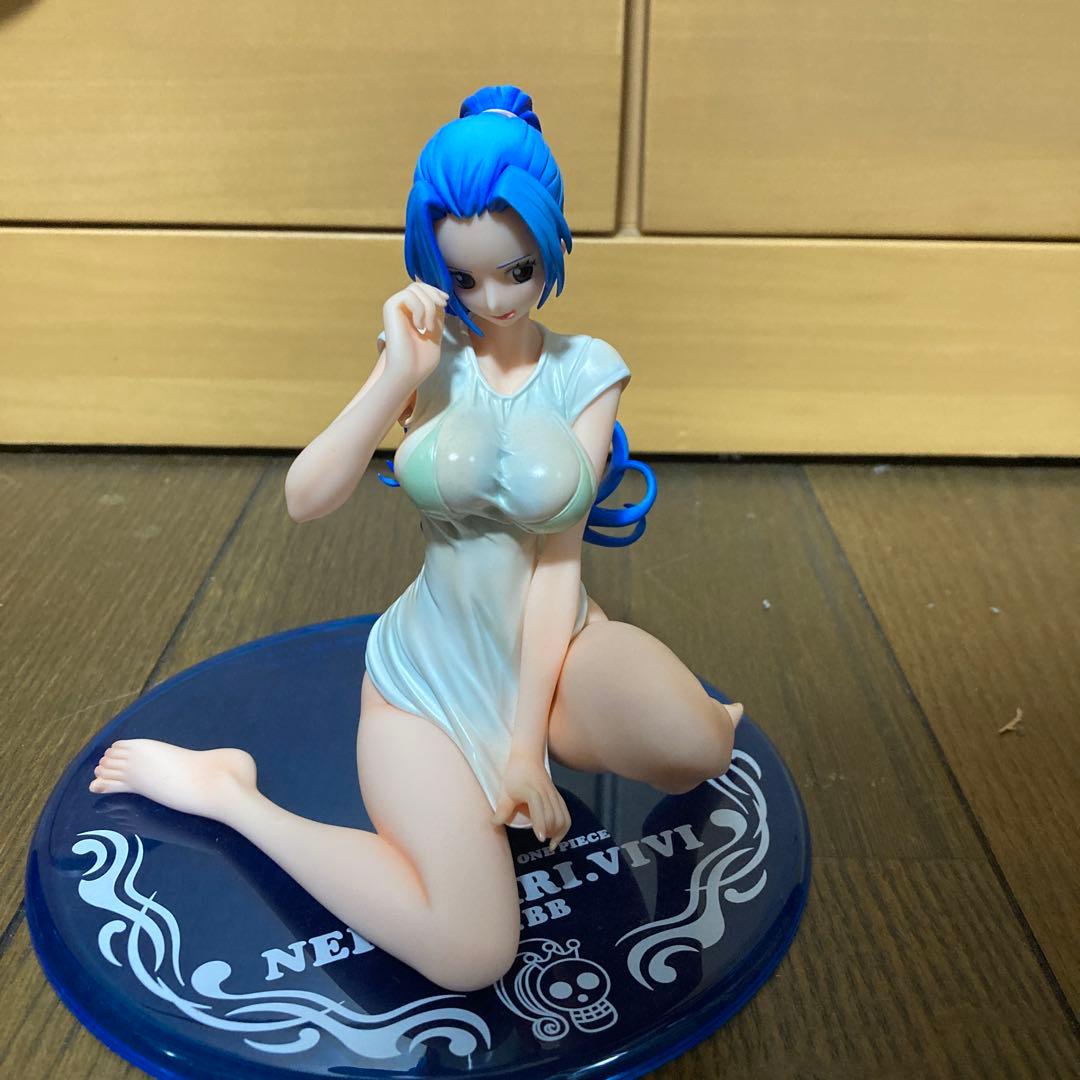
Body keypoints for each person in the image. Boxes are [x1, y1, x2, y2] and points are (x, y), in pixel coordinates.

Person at [88, 85, 742, 993]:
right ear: (435, 268)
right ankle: (233, 798)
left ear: (550, 243)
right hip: (427, 684)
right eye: (466, 279)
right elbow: (306, 498)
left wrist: (524, 750)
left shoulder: (587, 370)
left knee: (699, 747)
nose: (494, 299)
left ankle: (689, 727)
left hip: (557, 660)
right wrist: (397, 373)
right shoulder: (427, 359)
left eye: (517, 269)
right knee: (472, 954)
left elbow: (557, 565)